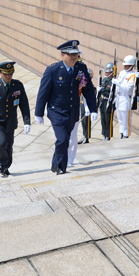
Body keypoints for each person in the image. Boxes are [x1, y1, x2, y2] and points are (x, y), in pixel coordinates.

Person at [35, 40, 97, 175]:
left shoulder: (81, 68)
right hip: (56, 111)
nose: (74, 57)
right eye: (71, 54)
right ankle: (61, 168)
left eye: (76, 54)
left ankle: (54, 164)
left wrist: (93, 109)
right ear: (62, 55)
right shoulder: (52, 70)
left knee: (64, 140)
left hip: (72, 111)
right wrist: (38, 113)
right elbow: (43, 92)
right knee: (63, 139)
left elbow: (88, 90)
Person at [113, 55, 137, 139]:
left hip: (126, 99)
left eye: (127, 65)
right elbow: (117, 87)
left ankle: (126, 136)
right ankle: (121, 134)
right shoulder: (122, 72)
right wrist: (115, 97)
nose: (125, 66)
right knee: (120, 120)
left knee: (126, 121)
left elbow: (127, 89)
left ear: (132, 65)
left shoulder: (133, 75)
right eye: (124, 65)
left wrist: (117, 82)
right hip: (119, 98)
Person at [98, 62, 115, 140]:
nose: (106, 73)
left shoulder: (113, 81)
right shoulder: (104, 79)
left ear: (111, 72)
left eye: (107, 71)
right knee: (103, 119)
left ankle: (108, 135)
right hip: (103, 101)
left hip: (109, 101)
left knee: (108, 119)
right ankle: (104, 134)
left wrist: (103, 90)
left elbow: (111, 92)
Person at [78, 69, 95, 144]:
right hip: (82, 105)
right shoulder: (83, 85)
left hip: (87, 107)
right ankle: (84, 136)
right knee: (83, 122)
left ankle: (87, 137)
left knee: (87, 122)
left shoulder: (92, 88)